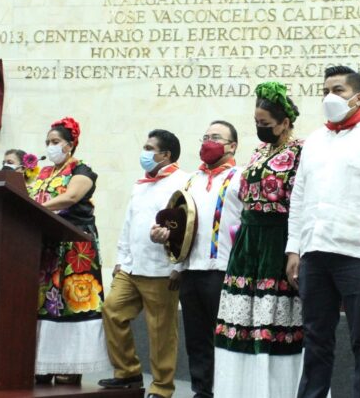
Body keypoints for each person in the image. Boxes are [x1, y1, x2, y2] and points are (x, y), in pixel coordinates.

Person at [286, 66, 360, 398]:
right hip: (314, 254)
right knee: (315, 339)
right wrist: (294, 248)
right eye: (325, 90)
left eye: (337, 90)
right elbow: (299, 195)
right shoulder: (315, 140)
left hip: (359, 254)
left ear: (358, 97)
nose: (329, 97)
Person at [212, 82, 304, 398]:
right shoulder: (259, 152)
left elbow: (302, 203)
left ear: (285, 122)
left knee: (273, 321)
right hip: (248, 242)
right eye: (256, 123)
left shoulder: (300, 152)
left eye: (265, 124)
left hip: (277, 239)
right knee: (241, 320)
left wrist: (296, 249)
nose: (260, 129)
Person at [150, 120, 243, 398]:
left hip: (224, 271)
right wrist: (170, 249)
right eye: (206, 136)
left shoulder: (242, 177)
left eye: (216, 137)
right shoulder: (189, 180)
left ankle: (228, 390)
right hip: (191, 271)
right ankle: (202, 391)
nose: (208, 142)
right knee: (197, 338)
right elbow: (179, 226)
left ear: (232, 146)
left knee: (225, 337)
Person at [100, 129, 188, 398]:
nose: (145, 153)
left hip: (162, 270)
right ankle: (128, 372)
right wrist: (121, 260)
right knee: (112, 310)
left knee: (161, 332)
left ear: (166, 155)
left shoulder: (184, 182)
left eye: (149, 148)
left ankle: (162, 388)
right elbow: (129, 223)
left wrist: (180, 267)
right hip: (132, 268)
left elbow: (189, 228)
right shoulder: (140, 184)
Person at [28, 117, 111, 385]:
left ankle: (71, 364)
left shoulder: (83, 171)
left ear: (70, 145)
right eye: (47, 142)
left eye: (56, 142)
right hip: (47, 247)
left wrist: (33, 208)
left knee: (72, 303)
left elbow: (71, 197)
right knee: (45, 305)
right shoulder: (41, 174)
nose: (50, 147)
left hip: (75, 248)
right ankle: (43, 362)